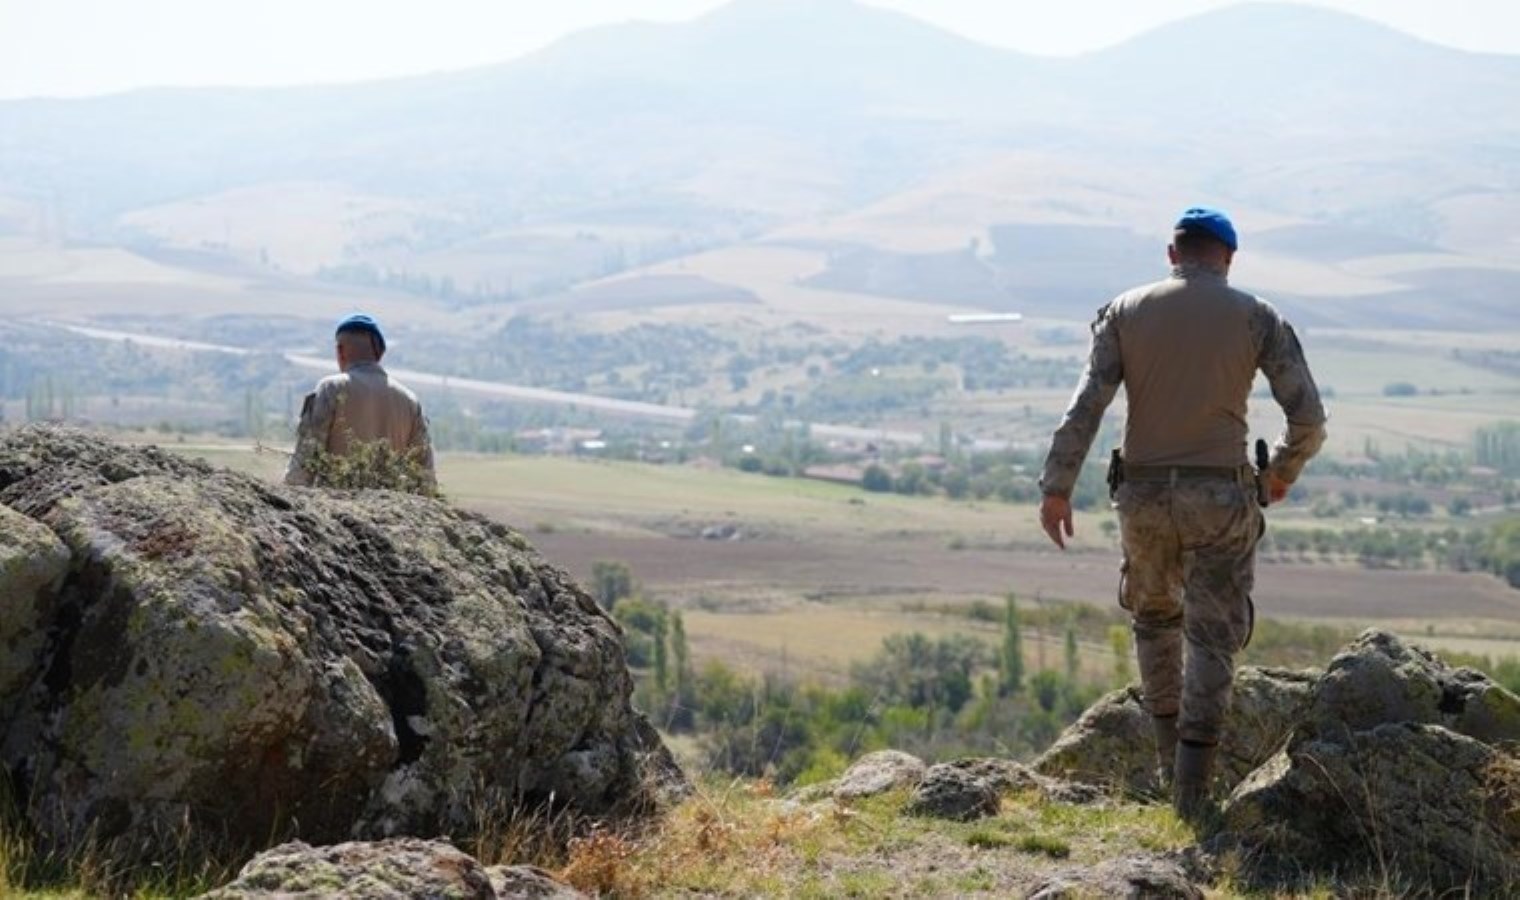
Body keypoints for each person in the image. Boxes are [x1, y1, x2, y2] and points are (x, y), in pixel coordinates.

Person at [1036, 207, 1326, 818]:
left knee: (1154, 620)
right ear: (1228, 257)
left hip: (1140, 498)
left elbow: (1086, 405)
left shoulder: (1124, 312)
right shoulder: (1257, 317)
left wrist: (1057, 485)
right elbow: (1309, 420)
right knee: (1213, 635)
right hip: (1220, 497)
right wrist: (1278, 475)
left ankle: (1167, 763)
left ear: (1173, 254)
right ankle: (1193, 794)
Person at [285, 313, 437, 492]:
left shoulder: (332, 389)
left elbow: (304, 464)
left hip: (336, 509)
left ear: (340, 351)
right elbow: (425, 478)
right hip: (391, 511)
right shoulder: (410, 401)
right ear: (379, 353)